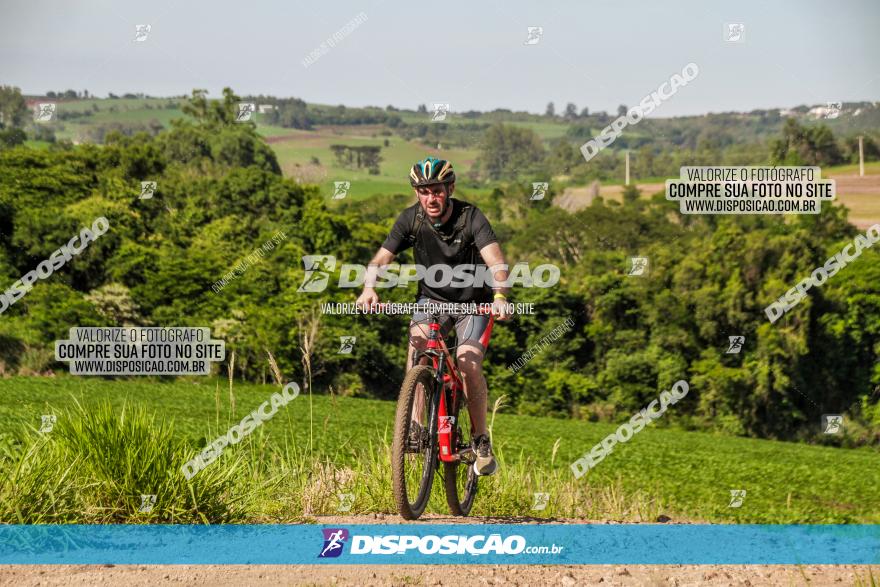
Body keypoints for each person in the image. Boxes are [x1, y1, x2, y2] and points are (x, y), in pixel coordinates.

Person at [356, 156, 511, 476]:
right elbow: (381, 259)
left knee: (468, 362)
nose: (430, 198)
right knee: (417, 348)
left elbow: (496, 263)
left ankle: (481, 439)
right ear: (416, 193)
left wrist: (500, 297)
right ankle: (415, 428)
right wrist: (369, 289)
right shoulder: (410, 219)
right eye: (423, 191)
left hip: (474, 304)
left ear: (449, 188)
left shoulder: (471, 218)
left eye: (436, 190)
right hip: (432, 300)